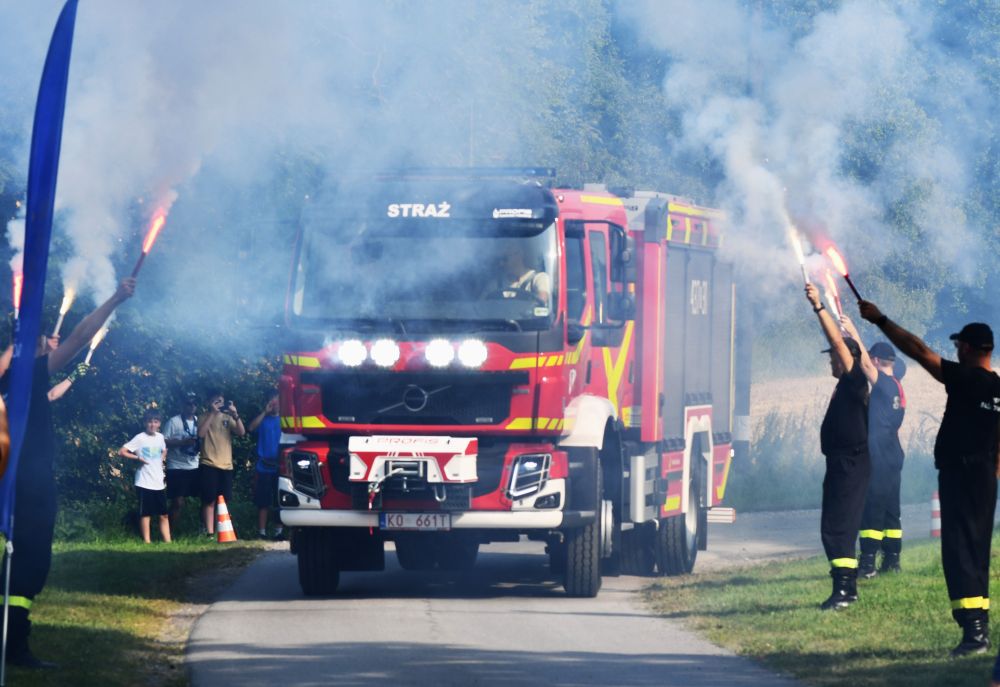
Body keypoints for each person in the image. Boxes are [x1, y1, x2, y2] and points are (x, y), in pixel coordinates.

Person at [0, 278, 135, 668]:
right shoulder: (27, 373)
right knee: (29, 562)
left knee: (18, 563)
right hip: (29, 483)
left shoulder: (20, 376)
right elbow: (80, 336)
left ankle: (12, 641)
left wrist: (27, 344)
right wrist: (116, 297)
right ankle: (14, 645)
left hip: (14, 479)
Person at [859, 301, 1000, 659]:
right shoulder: (998, 387)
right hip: (984, 478)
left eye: (958, 346)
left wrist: (881, 320)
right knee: (976, 550)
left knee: (958, 550)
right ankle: (978, 624)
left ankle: (974, 634)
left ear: (966, 348)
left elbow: (919, 351)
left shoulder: (966, 379)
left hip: (962, 475)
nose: (956, 351)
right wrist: (993, 472)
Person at [805, 283, 873, 611]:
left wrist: (819, 307)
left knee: (839, 527)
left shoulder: (855, 380)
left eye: (833, 356)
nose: (830, 360)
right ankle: (845, 588)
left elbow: (839, 343)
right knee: (834, 525)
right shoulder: (847, 384)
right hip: (842, 463)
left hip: (850, 463)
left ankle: (845, 591)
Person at [855, 341, 907, 577]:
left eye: (871, 359)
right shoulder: (895, 385)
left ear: (876, 360)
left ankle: (867, 564)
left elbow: (865, 365)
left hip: (880, 456)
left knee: (872, 509)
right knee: (890, 510)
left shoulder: (885, 383)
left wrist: (851, 333)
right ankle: (892, 559)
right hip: (892, 454)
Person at [118, 409, 170, 544]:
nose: (152, 425)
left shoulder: (160, 437)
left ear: (159, 424)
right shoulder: (140, 438)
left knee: (164, 514)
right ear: (145, 423)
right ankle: (147, 542)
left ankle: (168, 542)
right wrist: (137, 458)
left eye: (155, 422)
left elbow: (164, 449)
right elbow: (122, 451)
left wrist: (162, 458)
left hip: (158, 482)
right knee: (146, 514)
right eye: (150, 422)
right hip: (144, 482)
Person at [197, 390, 245, 536]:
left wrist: (235, 414)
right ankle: (209, 533)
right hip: (209, 463)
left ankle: (222, 531)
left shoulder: (227, 417)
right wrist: (212, 413)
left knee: (223, 501)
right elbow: (201, 434)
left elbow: (241, 432)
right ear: (209, 402)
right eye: (216, 401)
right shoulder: (203, 417)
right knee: (209, 500)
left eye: (221, 401)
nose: (219, 404)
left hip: (226, 465)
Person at [247, 393, 283, 540]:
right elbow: (250, 428)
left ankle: (279, 532)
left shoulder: (284, 420)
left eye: (277, 402)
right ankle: (261, 532)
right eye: (272, 402)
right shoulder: (263, 420)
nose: (274, 405)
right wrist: (265, 412)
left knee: (280, 500)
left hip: (281, 466)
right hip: (263, 466)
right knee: (263, 501)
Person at [163, 392, 200, 529]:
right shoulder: (173, 421)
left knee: (205, 498)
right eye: (189, 403)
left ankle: (203, 530)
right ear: (183, 405)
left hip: (195, 465)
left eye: (194, 404)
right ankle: (169, 532)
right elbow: (163, 441)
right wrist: (182, 442)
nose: (192, 406)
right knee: (177, 501)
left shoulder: (200, 421)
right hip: (176, 466)